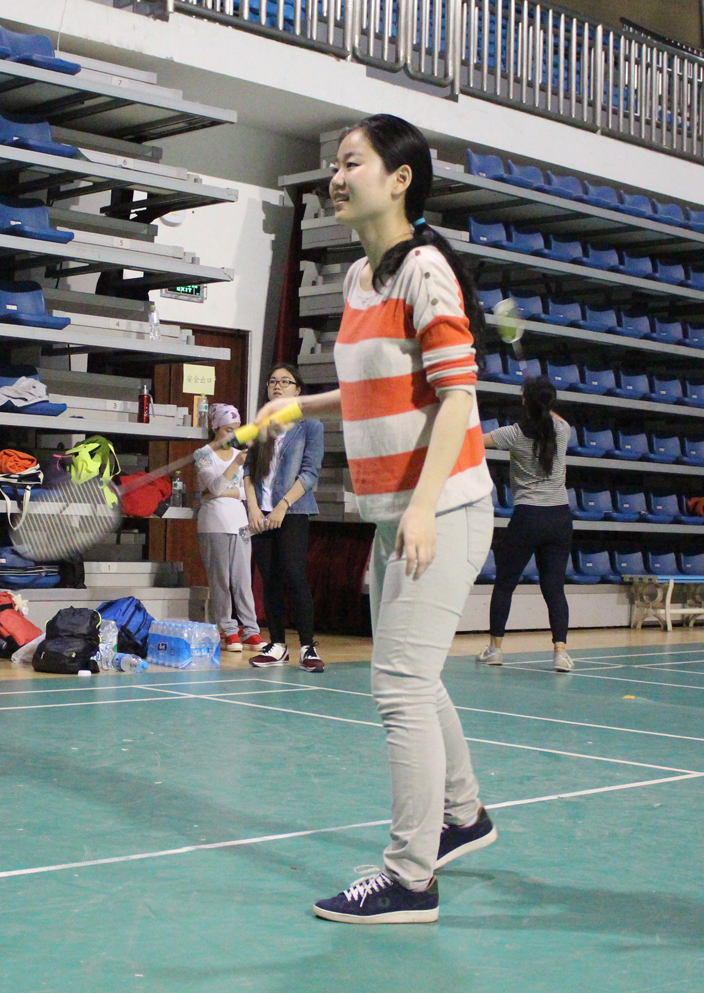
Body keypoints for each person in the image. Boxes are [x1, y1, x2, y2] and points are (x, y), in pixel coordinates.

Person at [254, 115, 496, 924]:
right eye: (334, 163)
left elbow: (457, 395)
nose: (335, 175)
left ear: (399, 180)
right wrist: (295, 408)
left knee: (398, 685)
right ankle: (462, 815)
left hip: (444, 508)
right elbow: (372, 391)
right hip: (397, 515)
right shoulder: (361, 279)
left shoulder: (424, 271)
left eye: (351, 162)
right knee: (414, 678)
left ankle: (410, 877)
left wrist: (422, 507)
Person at [478, 376, 574, 673]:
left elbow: (474, 442)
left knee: (505, 584)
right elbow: (553, 415)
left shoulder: (513, 433)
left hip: (528, 518)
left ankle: (495, 650)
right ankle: (560, 653)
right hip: (559, 518)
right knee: (554, 588)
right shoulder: (563, 430)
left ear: (524, 402)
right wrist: (541, 399)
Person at [243, 363, 325, 673]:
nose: (277, 386)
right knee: (270, 580)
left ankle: (307, 646)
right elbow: (248, 470)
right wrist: (253, 508)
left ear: (298, 389)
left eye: (285, 382)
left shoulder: (310, 425)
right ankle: (277, 645)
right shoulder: (261, 425)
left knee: (293, 575)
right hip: (261, 515)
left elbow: (310, 473)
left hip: (293, 512)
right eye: (272, 381)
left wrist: (282, 507)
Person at [194, 404, 264, 653]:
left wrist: (220, 491)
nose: (233, 435)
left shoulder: (240, 454)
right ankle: (227, 629)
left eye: (237, 429)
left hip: (239, 523)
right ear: (216, 428)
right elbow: (213, 486)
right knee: (220, 580)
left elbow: (246, 491)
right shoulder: (203, 454)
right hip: (214, 524)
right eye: (228, 430)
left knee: (243, 580)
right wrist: (233, 467)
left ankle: (251, 629)